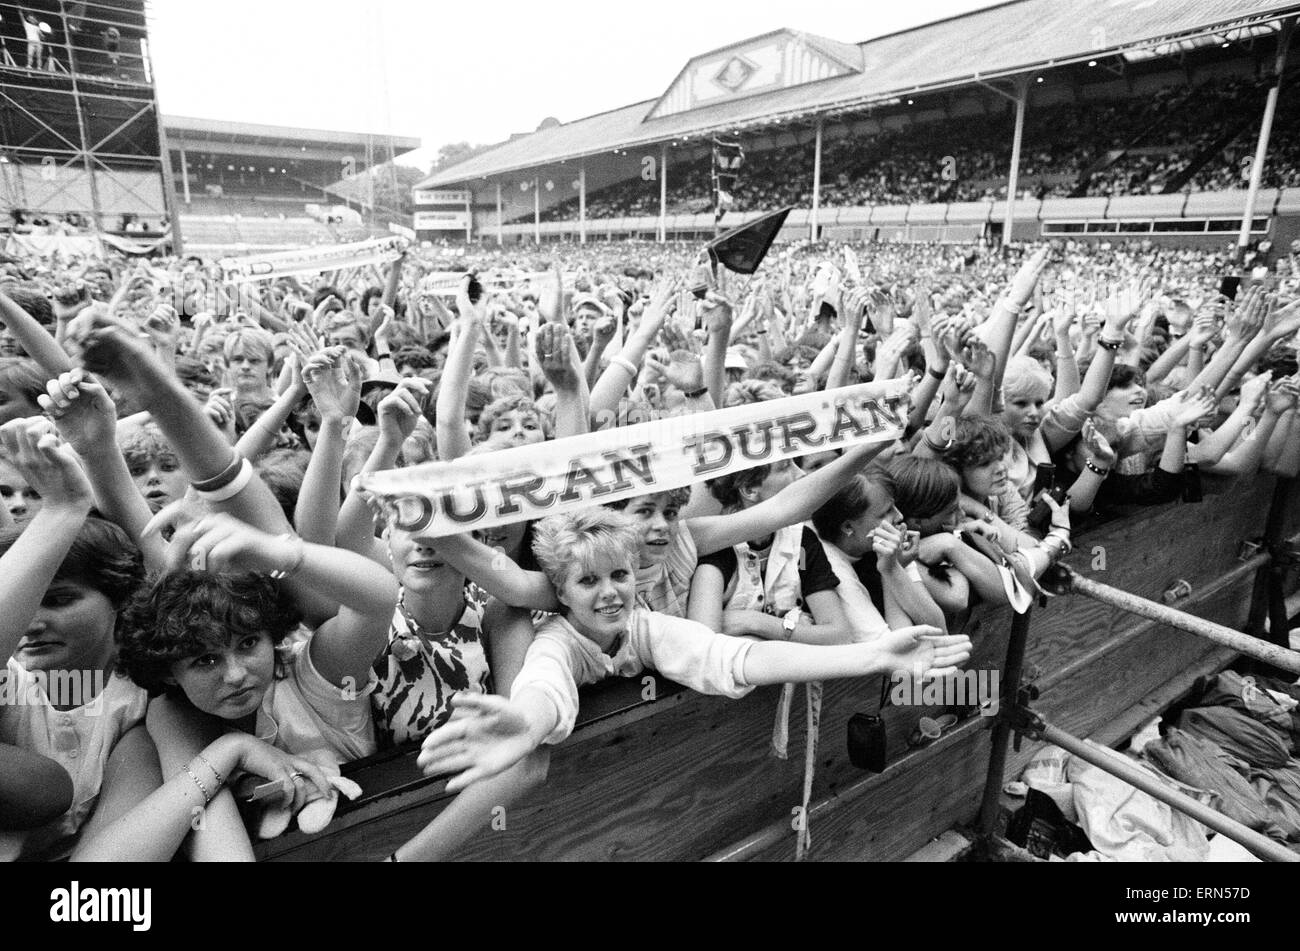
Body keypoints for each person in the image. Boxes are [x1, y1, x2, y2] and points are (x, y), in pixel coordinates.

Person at [415, 508, 972, 792]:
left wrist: (872, 658)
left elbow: (737, 658)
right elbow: (544, 687)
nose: (609, 593)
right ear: (559, 593)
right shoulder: (555, 641)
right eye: (588, 583)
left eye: (619, 575)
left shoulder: (646, 624)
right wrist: (527, 724)